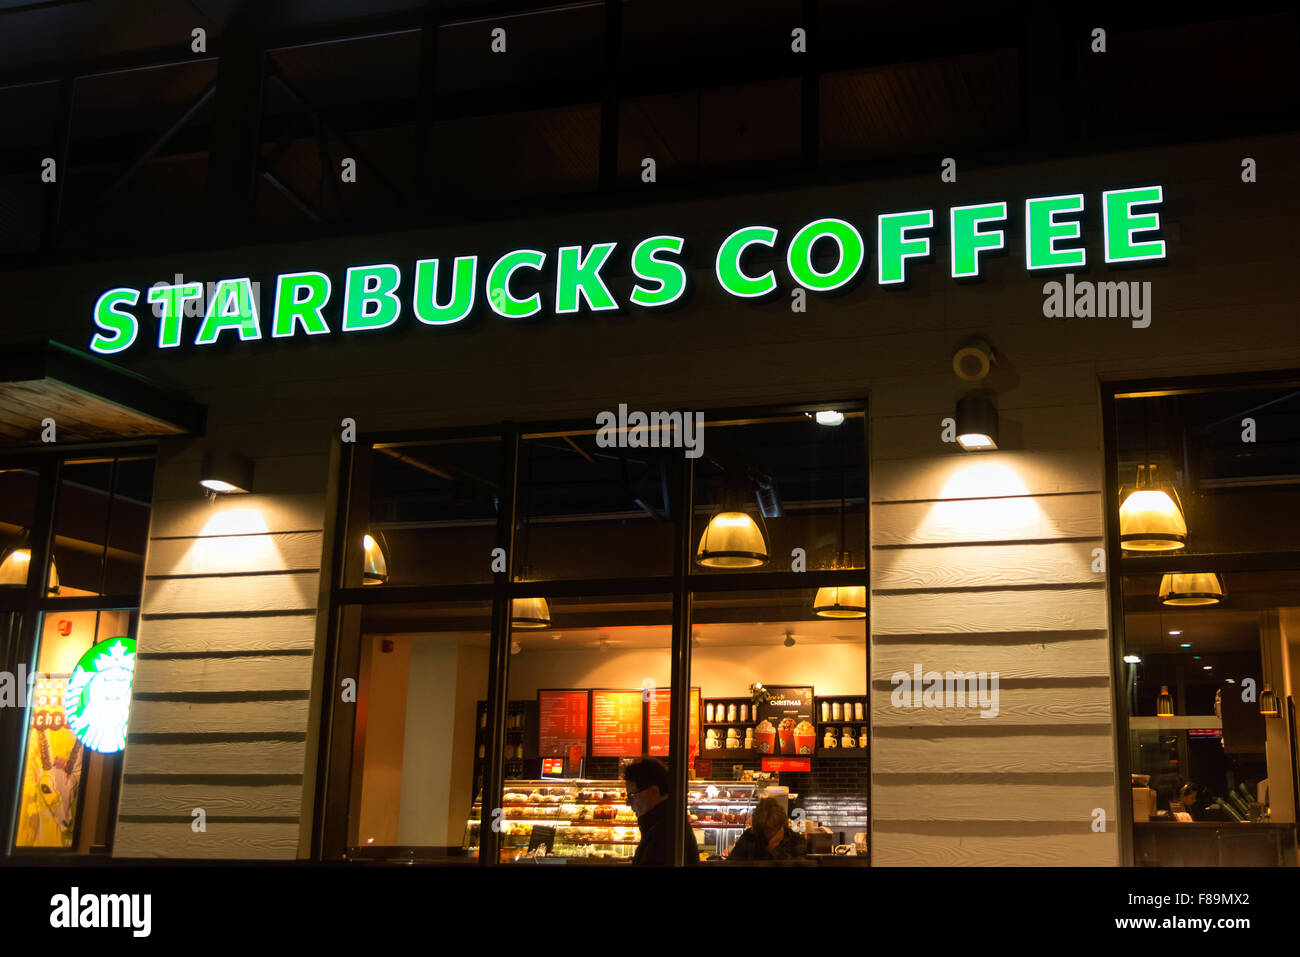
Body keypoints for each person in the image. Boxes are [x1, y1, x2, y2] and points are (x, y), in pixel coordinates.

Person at [623, 758, 699, 865]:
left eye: (632, 796)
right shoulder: (668, 824)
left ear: (653, 792)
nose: (628, 803)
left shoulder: (663, 834)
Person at [728, 797, 807, 862]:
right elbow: (730, 862)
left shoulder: (796, 840)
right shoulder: (750, 836)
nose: (770, 832)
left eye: (774, 828)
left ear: (780, 824)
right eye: (765, 828)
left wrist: (774, 849)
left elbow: (798, 864)